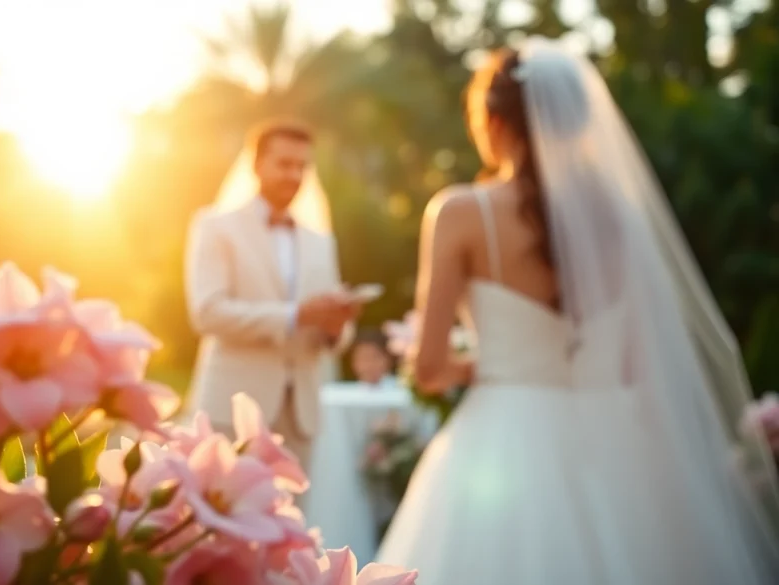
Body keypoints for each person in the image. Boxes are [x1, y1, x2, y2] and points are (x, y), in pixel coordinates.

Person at [376, 37, 779, 584]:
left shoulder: (461, 213)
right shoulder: (621, 219)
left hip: (505, 433)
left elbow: (428, 368)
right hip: (613, 444)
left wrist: (485, 365)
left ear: (493, 122)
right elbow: (639, 362)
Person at [184, 119, 358, 479]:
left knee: (290, 528)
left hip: (301, 417)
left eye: (302, 166)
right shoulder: (215, 226)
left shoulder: (320, 241)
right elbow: (208, 312)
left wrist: (336, 326)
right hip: (233, 408)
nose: (294, 175)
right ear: (257, 164)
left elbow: (334, 337)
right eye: (284, 164)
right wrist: (295, 315)